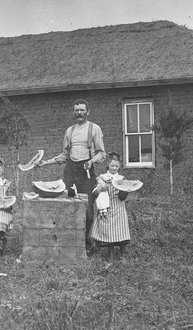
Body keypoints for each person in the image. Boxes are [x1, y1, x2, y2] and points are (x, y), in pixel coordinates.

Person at [37, 98, 106, 239]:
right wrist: (45, 163)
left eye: (82, 110)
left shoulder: (94, 128)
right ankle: (68, 240)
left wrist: (92, 161)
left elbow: (101, 153)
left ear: (88, 112)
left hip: (86, 171)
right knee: (66, 204)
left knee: (87, 209)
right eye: (76, 110)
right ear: (73, 113)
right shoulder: (69, 131)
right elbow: (64, 155)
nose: (79, 113)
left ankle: (86, 243)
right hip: (70, 171)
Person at [89, 153, 130, 261]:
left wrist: (125, 191)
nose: (114, 168)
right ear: (108, 166)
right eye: (112, 166)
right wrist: (101, 188)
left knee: (121, 230)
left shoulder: (121, 178)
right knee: (109, 231)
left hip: (119, 207)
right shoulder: (102, 178)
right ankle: (110, 254)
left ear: (119, 167)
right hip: (106, 206)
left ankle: (123, 254)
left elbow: (122, 197)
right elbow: (94, 193)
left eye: (116, 166)